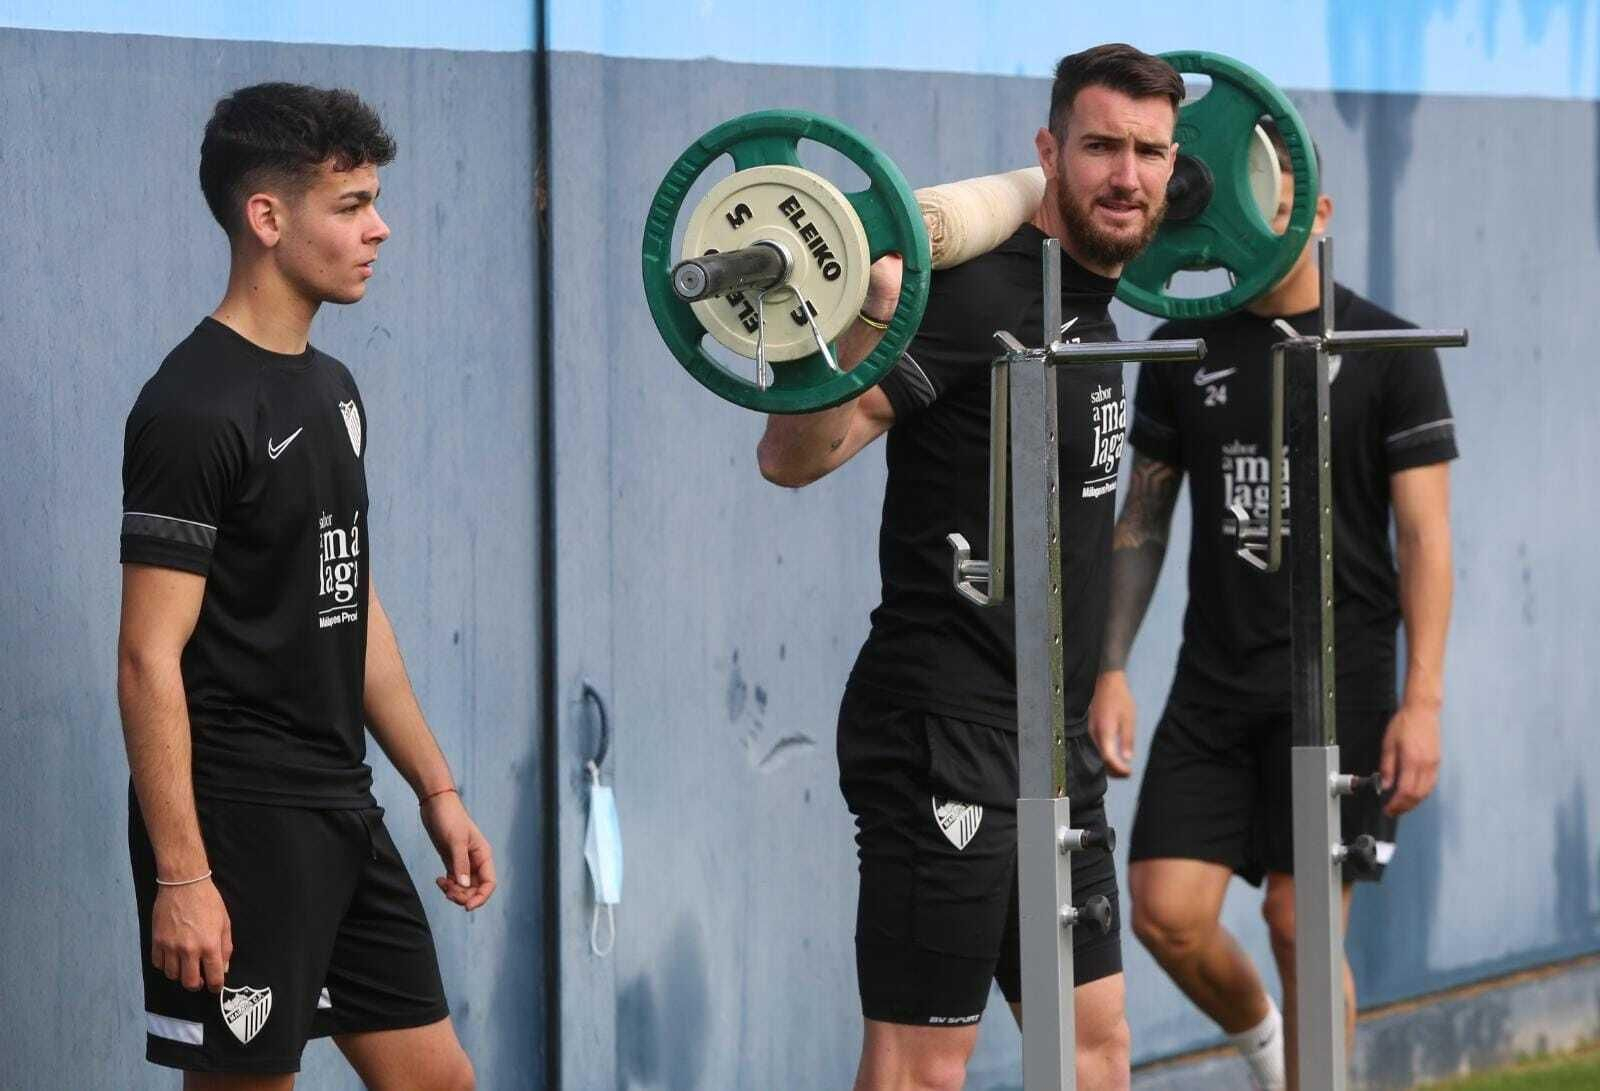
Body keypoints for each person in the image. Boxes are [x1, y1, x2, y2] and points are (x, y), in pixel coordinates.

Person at [757, 44, 1185, 1091]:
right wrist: (860, 314)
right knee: (920, 1068)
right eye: (1100, 147)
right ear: (1048, 150)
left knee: (1092, 1049)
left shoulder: (1094, 300)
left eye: (1150, 152)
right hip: (943, 728)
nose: (1126, 175)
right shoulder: (969, 296)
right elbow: (792, 457)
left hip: (1054, 736)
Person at [118, 82, 493, 1090]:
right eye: (351, 204)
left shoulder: (333, 390)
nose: (380, 228)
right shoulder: (193, 407)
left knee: (441, 1080)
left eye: (375, 201)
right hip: (239, 820)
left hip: (341, 805)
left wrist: (436, 788)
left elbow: (348, 599)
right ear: (268, 217)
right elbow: (147, 655)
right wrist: (183, 873)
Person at [1087, 121, 1456, 1090]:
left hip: (1341, 681)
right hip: (1215, 680)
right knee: (1164, 909)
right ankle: (1267, 1042)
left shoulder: (1388, 349)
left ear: (1316, 215)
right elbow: (1142, 519)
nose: (1252, 228)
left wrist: (1422, 702)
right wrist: (1111, 664)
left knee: (1299, 921)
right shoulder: (1182, 346)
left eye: (1276, 205)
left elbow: (1425, 539)